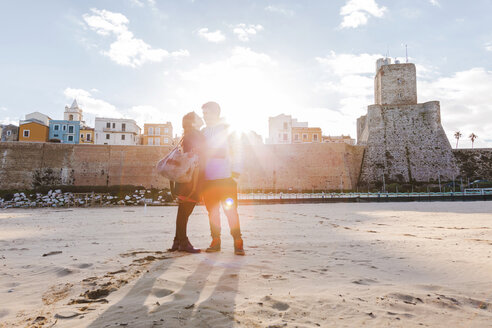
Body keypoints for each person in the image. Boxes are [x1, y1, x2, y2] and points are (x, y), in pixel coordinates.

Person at [201, 101, 245, 256]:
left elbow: (238, 150)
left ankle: (238, 241)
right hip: (208, 180)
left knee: (231, 211)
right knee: (212, 212)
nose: (204, 116)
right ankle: (216, 240)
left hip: (226, 179)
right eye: (203, 113)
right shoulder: (203, 132)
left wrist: (236, 173)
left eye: (207, 113)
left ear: (215, 113)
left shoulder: (228, 130)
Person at [168, 112, 205, 253]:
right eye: (198, 117)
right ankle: (183, 242)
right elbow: (203, 153)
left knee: (182, 211)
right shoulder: (196, 135)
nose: (201, 118)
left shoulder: (186, 135)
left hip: (184, 178)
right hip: (192, 178)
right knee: (185, 211)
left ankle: (177, 241)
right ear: (193, 122)